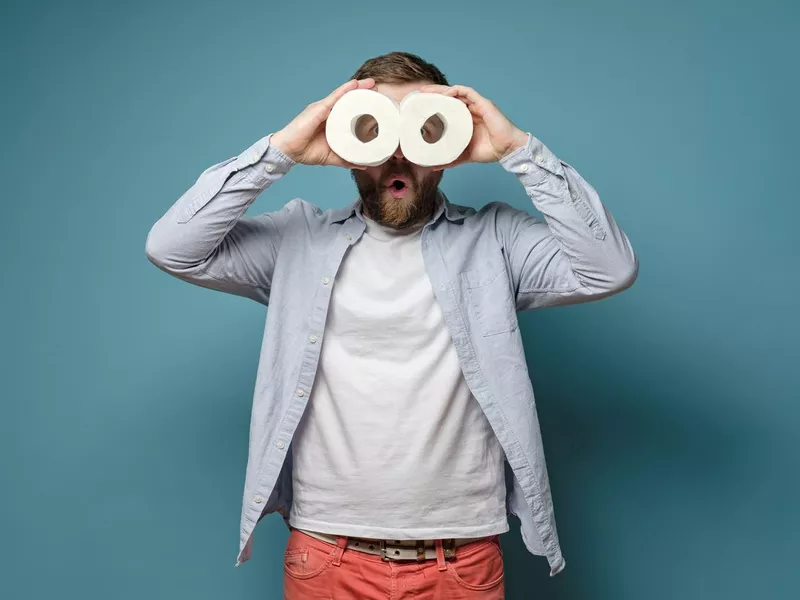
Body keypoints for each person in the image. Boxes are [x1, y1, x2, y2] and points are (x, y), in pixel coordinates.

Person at [145, 51, 638, 599]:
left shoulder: (495, 240)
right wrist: (281, 151)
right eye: (376, 132)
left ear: (449, 148)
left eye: (425, 131)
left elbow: (609, 268)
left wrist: (519, 150)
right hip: (327, 557)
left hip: (462, 560)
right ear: (351, 147)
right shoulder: (298, 239)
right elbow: (173, 248)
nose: (398, 158)